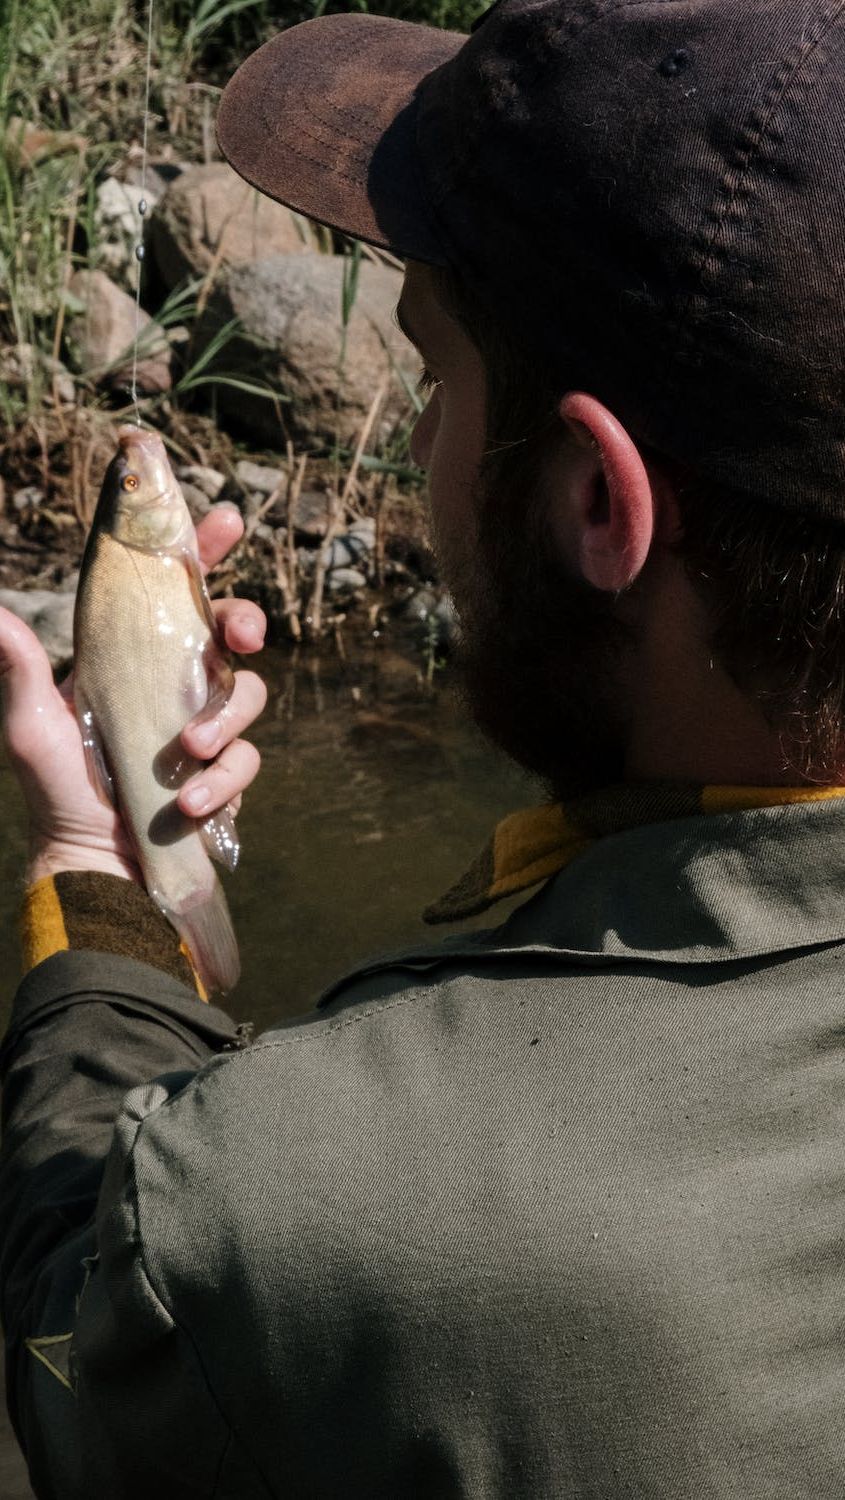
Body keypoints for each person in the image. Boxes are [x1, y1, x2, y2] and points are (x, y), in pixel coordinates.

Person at [4, 0, 845, 1493]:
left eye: (439, 376)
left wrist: (99, 880)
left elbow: (88, 1351)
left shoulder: (314, 1212)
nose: (424, 449)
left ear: (597, 501)